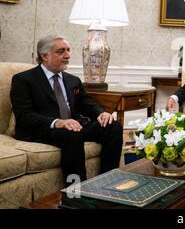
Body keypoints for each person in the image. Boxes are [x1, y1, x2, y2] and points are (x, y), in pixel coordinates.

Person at [10, 35, 123, 185]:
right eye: (61, 51)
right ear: (44, 56)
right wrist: (58, 122)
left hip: (73, 125)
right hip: (43, 129)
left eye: (68, 50)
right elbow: (24, 115)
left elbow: (86, 103)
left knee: (112, 126)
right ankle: (76, 192)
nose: (68, 55)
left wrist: (101, 113)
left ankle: (108, 182)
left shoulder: (72, 80)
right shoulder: (23, 80)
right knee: (72, 133)